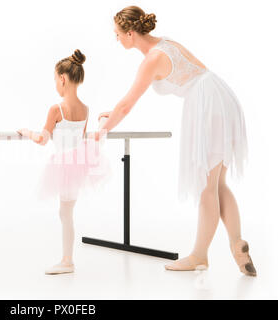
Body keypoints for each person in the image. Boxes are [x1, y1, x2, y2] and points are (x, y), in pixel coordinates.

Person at [91, 5, 256, 276]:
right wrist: (111, 116)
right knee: (217, 182)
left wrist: (102, 131)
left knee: (206, 185)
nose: (117, 39)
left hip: (208, 104)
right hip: (219, 96)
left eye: (117, 34)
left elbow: (126, 105)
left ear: (130, 33)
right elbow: (124, 105)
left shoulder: (152, 59)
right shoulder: (164, 43)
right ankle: (237, 243)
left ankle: (200, 255)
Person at [18, 50, 111, 275]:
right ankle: (67, 259)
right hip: (80, 163)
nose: (55, 85)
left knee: (65, 213)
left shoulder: (56, 109)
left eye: (55, 80)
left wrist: (26, 131)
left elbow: (42, 139)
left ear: (62, 79)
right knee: (66, 212)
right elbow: (81, 138)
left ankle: (67, 261)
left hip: (63, 166)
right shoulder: (86, 109)